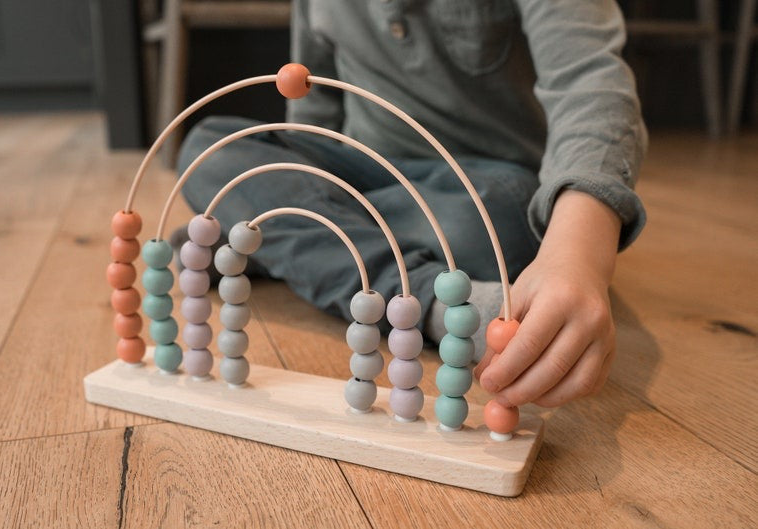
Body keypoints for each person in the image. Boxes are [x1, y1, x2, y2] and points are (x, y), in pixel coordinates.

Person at [176, 0, 647, 408]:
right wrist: (296, 189)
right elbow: (313, 110)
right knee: (211, 148)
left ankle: (285, 242)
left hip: (478, 188)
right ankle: (434, 302)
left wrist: (577, 255)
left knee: (486, 230)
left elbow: (590, 80)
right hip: (363, 171)